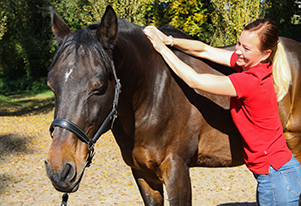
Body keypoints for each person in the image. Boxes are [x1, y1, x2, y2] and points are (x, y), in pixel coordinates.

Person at [144, 19, 301, 205]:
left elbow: (194, 80)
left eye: (247, 49)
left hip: (276, 178)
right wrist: (169, 40)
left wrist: (162, 49)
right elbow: (204, 50)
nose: (238, 51)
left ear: (266, 53)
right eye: (239, 44)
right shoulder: (255, 65)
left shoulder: (251, 82)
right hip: (275, 174)